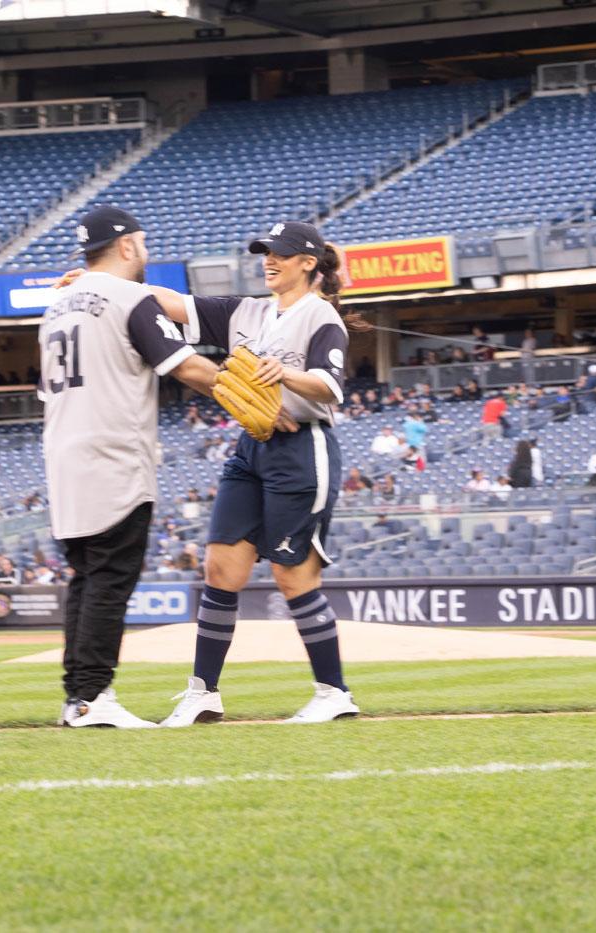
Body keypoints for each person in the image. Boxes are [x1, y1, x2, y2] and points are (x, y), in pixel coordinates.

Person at [137, 219, 364, 726]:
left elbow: (330, 387)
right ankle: (203, 693)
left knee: (292, 574)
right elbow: (163, 300)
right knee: (220, 569)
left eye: (280, 253)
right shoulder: (246, 312)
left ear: (308, 263)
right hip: (251, 448)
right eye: (265, 252)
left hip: (303, 449)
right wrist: (97, 285)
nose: (269, 260)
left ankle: (334, 692)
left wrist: (284, 373)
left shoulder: (320, 316)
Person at [42, 206, 220, 729]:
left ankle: (78, 696)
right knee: (110, 579)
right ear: (126, 246)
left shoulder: (54, 305)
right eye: (142, 243)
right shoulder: (131, 297)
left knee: (87, 577)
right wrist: (245, 388)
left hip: (64, 452)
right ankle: (93, 697)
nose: (146, 251)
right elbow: (185, 365)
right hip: (113, 454)